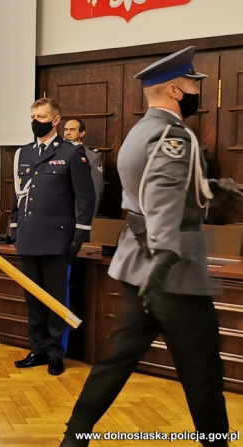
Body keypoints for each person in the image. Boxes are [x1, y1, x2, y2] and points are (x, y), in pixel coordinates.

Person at [60, 46, 238, 447]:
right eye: (194, 84)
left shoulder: (140, 130)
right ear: (176, 90)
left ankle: (74, 438)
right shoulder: (174, 136)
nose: (198, 91)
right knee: (203, 371)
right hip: (173, 273)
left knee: (117, 360)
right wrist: (164, 259)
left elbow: (148, 192)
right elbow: (161, 198)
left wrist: (209, 190)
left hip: (135, 266)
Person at [9, 98, 96, 376]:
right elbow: (19, 194)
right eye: (33, 115)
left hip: (57, 239)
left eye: (42, 115)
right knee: (33, 299)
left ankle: (57, 353)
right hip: (28, 237)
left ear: (55, 120)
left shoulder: (71, 153)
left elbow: (85, 197)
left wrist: (79, 235)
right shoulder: (23, 153)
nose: (36, 120)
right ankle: (38, 349)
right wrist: (14, 226)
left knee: (56, 299)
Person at [63, 119, 104, 215]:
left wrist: (88, 217)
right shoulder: (55, 153)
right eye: (65, 130)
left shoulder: (92, 156)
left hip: (76, 212)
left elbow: (96, 189)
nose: (67, 133)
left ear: (82, 133)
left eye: (72, 130)